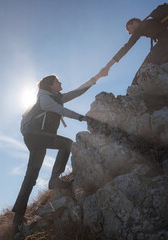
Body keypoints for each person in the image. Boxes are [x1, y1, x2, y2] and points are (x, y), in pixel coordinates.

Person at [12, 71, 106, 228]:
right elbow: (61, 110)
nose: (61, 85)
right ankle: (54, 180)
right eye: (58, 82)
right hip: (36, 136)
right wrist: (82, 118)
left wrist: (95, 79)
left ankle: (17, 217)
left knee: (31, 175)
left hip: (36, 138)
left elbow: (77, 91)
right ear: (51, 85)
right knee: (66, 143)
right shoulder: (44, 99)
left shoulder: (57, 97)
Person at [101, 3, 168, 84]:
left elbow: (127, 46)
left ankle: (133, 92)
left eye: (129, 29)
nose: (129, 33)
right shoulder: (154, 24)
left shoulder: (142, 27)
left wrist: (108, 66)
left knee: (141, 73)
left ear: (135, 23)